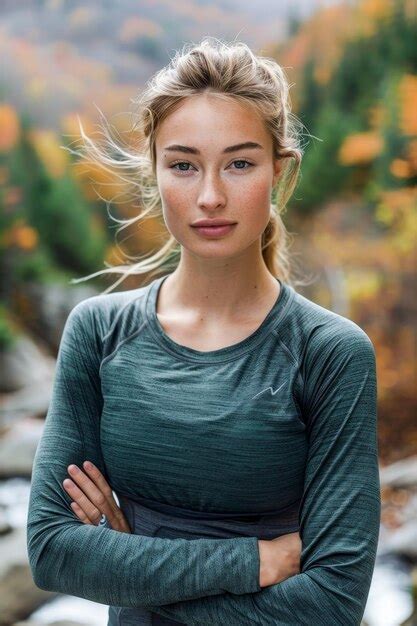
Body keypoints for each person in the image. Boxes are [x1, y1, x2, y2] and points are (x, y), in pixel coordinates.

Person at [26, 37, 381, 625]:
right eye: (184, 165)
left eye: (240, 163)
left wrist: (133, 559)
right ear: (155, 173)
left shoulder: (329, 354)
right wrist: (256, 561)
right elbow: (52, 552)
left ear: (279, 172)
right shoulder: (99, 332)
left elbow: (331, 606)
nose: (211, 196)